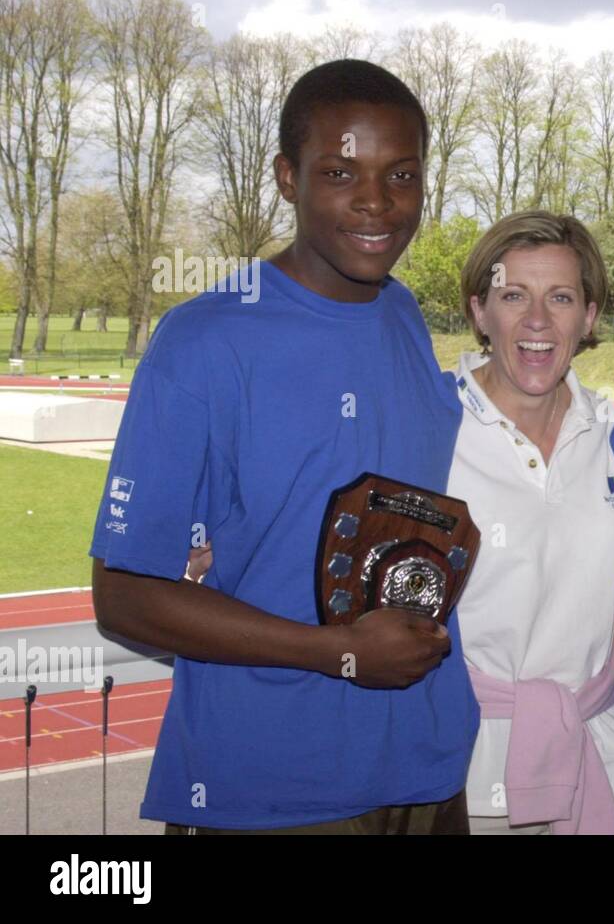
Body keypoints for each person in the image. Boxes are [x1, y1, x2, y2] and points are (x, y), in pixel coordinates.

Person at [89, 60, 478, 834]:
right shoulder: (204, 341)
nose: (376, 202)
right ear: (285, 176)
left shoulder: (402, 313)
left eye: (401, 174)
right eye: (340, 172)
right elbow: (123, 595)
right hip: (274, 792)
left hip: (425, 769)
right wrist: (336, 652)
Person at [452, 211, 614, 835]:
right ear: (480, 311)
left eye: (560, 298)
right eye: (514, 296)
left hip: (601, 760)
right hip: (462, 770)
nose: (538, 320)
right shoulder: (426, 427)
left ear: (587, 318)